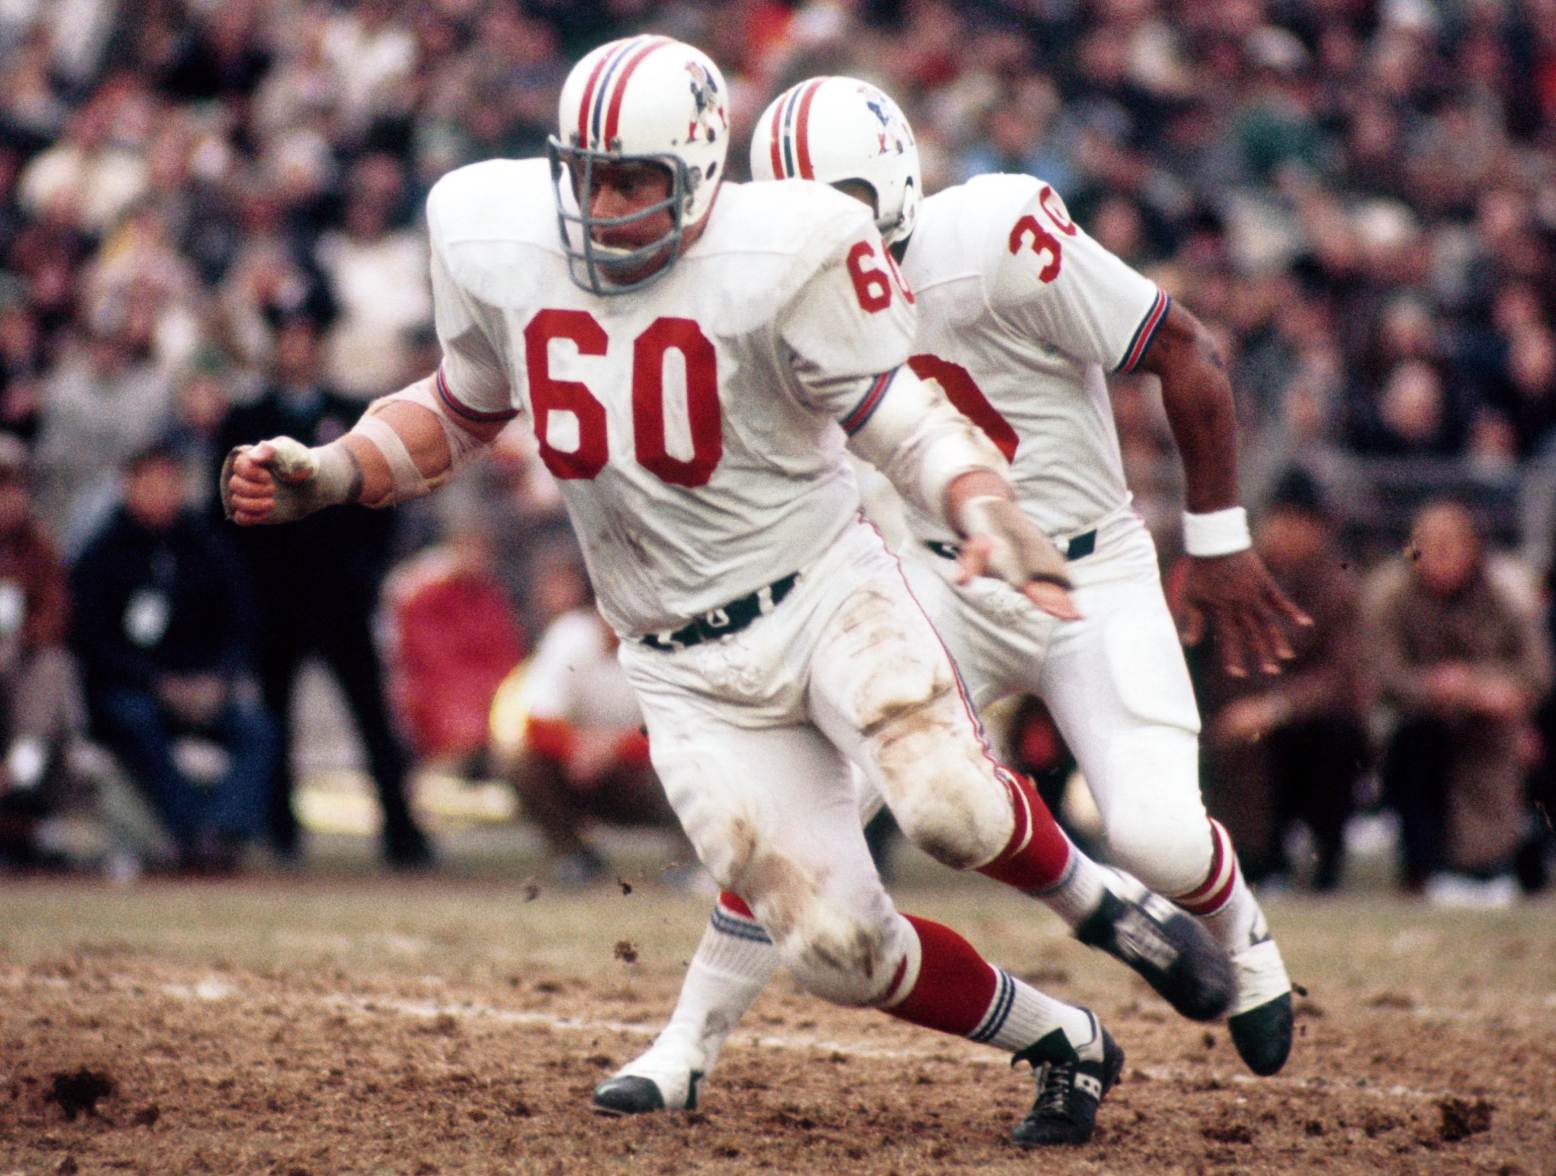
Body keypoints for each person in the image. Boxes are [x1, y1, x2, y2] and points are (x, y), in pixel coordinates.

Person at [220, 37, 1234, 1149]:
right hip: (677, 661)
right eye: (584, 172)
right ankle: (1065, 1040)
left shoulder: (785, 249)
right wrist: (332, 468)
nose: (600, 205)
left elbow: (897, 418)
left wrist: (986, 507)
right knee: (841, 957)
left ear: (702, 173)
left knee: (946, 805)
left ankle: (1099, 905)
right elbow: (463, 406)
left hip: (823, 592)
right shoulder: (494, 231)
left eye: (632, 179)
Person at [601, 75, 1313, 1110]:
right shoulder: (765, 291)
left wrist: (1214, 537)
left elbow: (1187, 351)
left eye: (842, 205)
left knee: (1157, 832)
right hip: (929, 574)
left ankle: (1239, 936)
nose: (824, 234)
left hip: (1084, 571)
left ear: (890, 184)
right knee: (805, 809)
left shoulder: (995, 236)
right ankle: (684, 1046)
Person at [214, 309, 434, 869]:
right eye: (286, 336)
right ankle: (280, 833)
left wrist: (365, 570)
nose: (296, 348)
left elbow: (380, 494)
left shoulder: (347, 412)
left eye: (304, 336)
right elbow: (224, 513)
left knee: (372, 717)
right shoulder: (247, 417)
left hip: (339, 595)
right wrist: (247, 589)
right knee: (274, 718)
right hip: (275, 597)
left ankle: (401, 832)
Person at [71, 442, 275, 872]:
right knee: (137, 720)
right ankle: (192, 830)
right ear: (127, 487)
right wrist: (157, 683)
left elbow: (242, 624)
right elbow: (92, 642)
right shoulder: (102, 554)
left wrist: (218, 680)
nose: (159, 492)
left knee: (258, 730)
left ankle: (224, 829)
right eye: (148, 483)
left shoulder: (209, 547)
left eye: (168, 482)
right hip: (132, 689)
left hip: (204, 688)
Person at [1190, 467, 1369, 892]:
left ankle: (1326, 866)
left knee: (1338, 737)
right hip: (1230, 713)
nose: (1288, 534)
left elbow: (1343, 674)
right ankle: (1250, 862)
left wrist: (1275, 709)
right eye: (1281, 520)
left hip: (1303, 721)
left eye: (1300, 523)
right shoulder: (1230, 575)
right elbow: (1199, 650)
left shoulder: (1338, 585)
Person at [1363, 500, 1551, 904]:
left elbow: (1534, 671)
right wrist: (1435, 687)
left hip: (1491, 721)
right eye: (1429, 542)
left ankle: (1495, 864)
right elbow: (1383, 671)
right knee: (1418, 744)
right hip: (1412, 719)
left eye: (1451, 542)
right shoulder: (1390, 595)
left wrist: (1494, 689)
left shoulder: (1502, 595)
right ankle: (1427, 868)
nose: (1440, 553)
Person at [505, 583, 691, 886]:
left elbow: (684, 728)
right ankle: (573, 856)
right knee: (517, 760)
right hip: (579, 766)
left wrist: (615, 748)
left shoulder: (668, 642)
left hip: (646, 771)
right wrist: (578, 746)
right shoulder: (570, 635)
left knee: (694, 764)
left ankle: (690, 863)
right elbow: (536, 723)